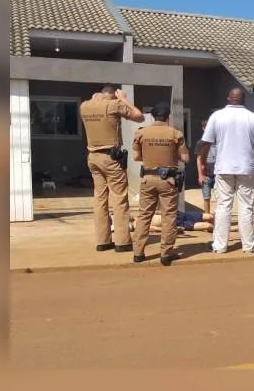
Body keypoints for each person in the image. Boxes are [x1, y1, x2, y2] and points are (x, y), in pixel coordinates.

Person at [198, 88, 254, 254]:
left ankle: (219, 246)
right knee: (246, 207)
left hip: (224, 168)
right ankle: (249, 245)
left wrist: (202, 162)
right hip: (246, 168)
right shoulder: (253, 117)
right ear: (244, 100)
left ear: (228, 98)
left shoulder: (217, 116)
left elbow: (205, 142)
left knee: (223, 206)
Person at [79, 83, 144, 252]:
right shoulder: (113, 104)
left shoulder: (84, 106)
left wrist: (100, 97)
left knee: (100, 199)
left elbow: (94, 100)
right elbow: (139, 116)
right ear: (112, 95)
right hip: (111, 157)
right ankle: (122, 241)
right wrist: (123, 99)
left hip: (93, 156)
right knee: (119, 198)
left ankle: (103, 241)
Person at [130, 102, 189, 266]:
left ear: (153, 116)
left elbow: (136, 157)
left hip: (148, 178)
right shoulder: (175, 134)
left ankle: (138, 253)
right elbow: (185, 158)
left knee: (144, 215)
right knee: (168, 216)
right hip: (168, 180)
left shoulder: (141, 133)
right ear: (168, 116)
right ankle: (166, 253)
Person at [197, 117, 217, 213]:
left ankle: (219, 219)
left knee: (221, 197)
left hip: (218, 173)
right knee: (206, 197)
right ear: (203, 128)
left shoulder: (218, 140)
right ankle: (207, 218)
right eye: (206, 127)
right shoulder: (201, 143)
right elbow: (199, 159)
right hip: (206, 174)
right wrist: (200, 175)